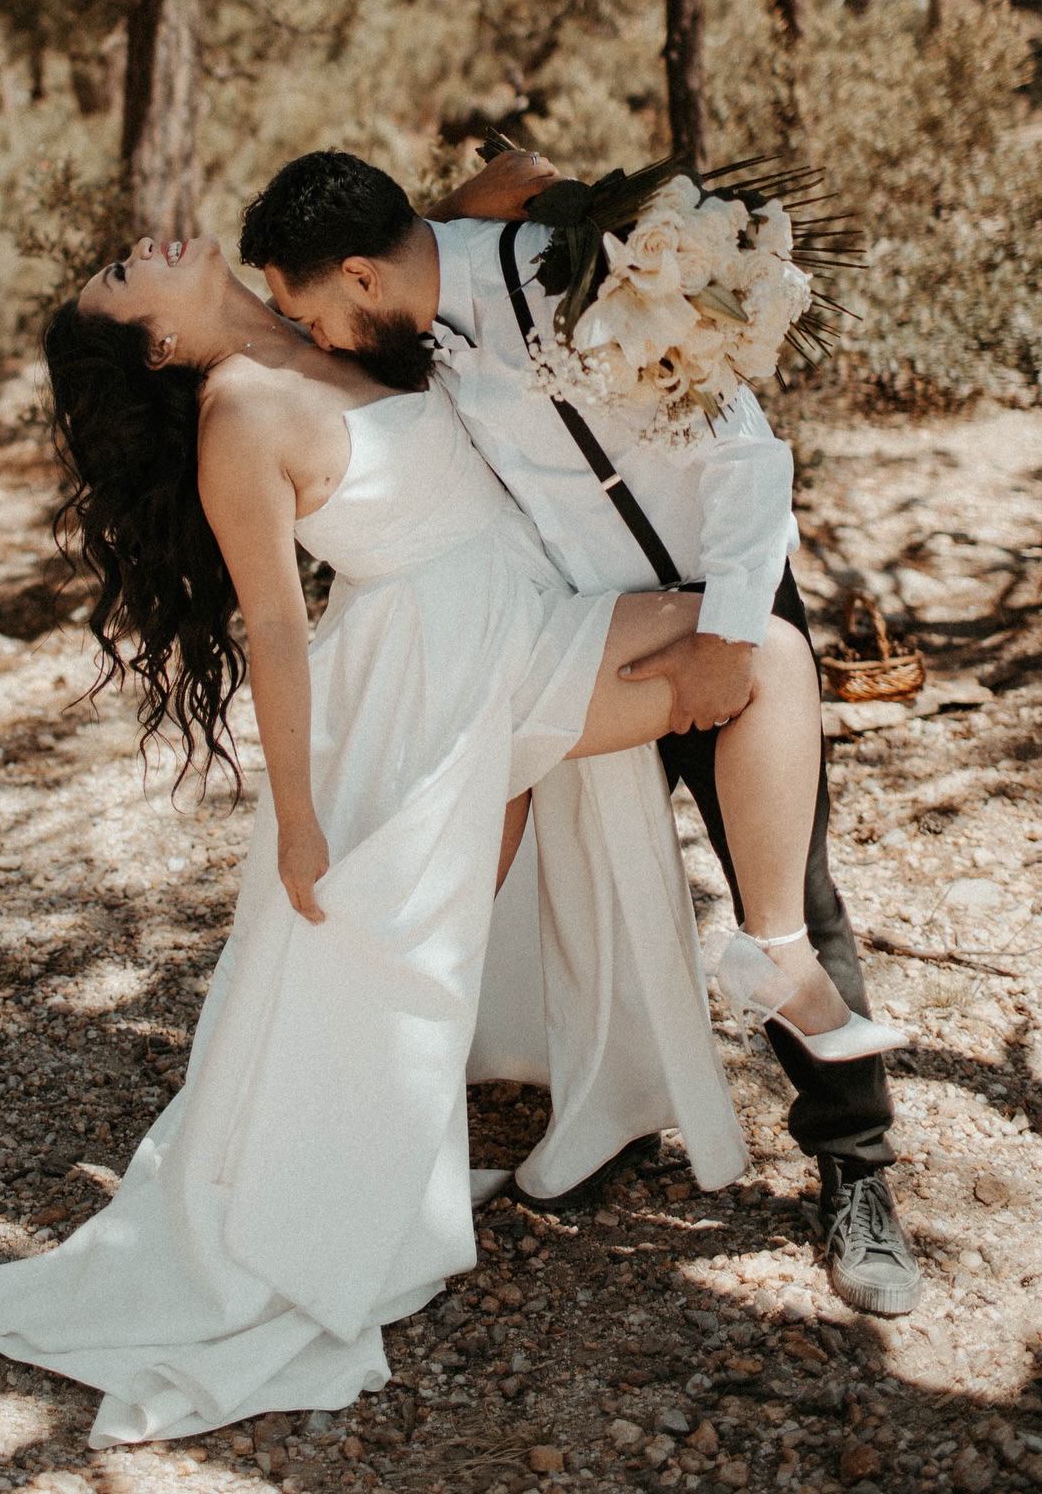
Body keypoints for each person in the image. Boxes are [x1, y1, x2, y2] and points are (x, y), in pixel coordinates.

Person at [0, 233, 900, 1443]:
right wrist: (297, 824)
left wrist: (653, 231)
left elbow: (449, 230)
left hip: (530, 622)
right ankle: (329, 1203)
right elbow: (279, 640)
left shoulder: (333, 308)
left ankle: (774, 951)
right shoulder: (239, 409)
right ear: (162, 346)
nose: (139, 250)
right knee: (378, 967)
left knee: (761, 644)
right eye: (123, 283)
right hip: (431, 688)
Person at [238, 147, 923, 1318]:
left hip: (723, 605)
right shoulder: (412, 325)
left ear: (358, 276)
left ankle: (856, 1176)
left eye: (314, 312)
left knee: (793, 895)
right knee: (593, 888)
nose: (321, 338)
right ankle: (609, 1111)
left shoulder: (583, 275)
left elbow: (750, 460)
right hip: (577, 630)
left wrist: (731, 636)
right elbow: (448, 225)